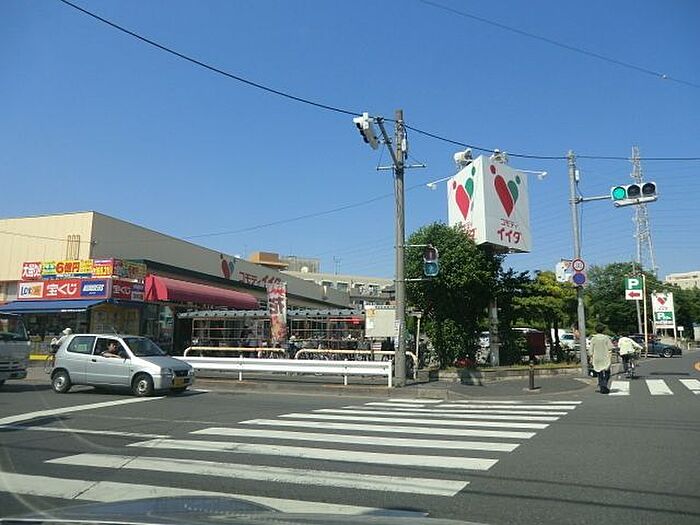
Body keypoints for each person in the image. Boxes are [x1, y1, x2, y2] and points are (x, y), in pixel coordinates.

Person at [588, 324, 614, 394]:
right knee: (607, 372)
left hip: (596, 358)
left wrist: (591, 357)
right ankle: (604, 385)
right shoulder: (606, 338)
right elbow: (610, 347)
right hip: (605, 357)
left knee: (599, 373)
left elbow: (590, 350)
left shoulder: (593, 338)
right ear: (603, 330)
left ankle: (602, 386)